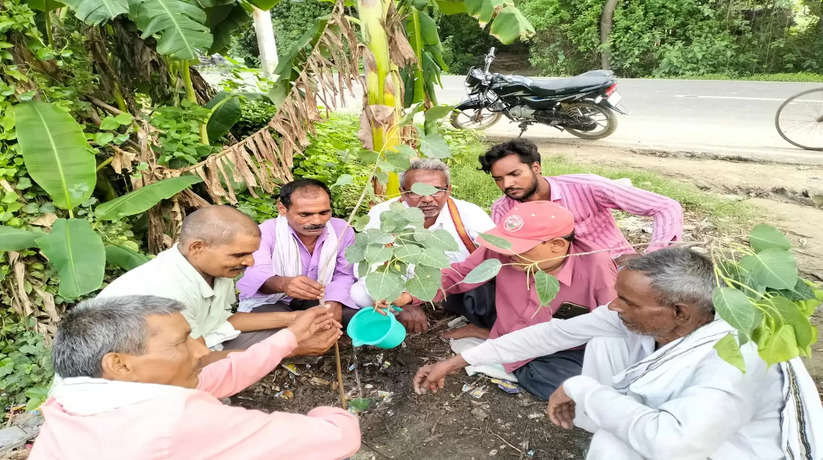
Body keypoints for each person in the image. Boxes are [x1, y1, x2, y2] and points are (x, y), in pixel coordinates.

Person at [412, 248, 823, 459]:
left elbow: (676, 445)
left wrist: (582, 389)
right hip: (686, 430)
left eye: (626, 300)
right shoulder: (650, 319)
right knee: (605, 344)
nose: (613, 306)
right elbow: (551, 334)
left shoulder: (736, 356)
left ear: (678, 311)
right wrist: (457, 360)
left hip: (729, 450)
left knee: (611, 444)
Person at [29, 295, 360, 460]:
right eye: (180, 343)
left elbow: (218, 376)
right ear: (120, 364)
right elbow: (335, 439)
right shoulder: (174, 420)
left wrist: (289, 339)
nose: (201, 351)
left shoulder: (69, 402)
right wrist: (335, 414)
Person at [389, 201, 617, 398]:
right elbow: (461, 274)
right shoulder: (504, 251)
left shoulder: (596, 266)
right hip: (511, 323)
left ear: (557, 245)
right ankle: (497, 338)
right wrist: (410, 294)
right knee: (459, 294)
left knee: (566, 386)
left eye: (522, 248)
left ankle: (498, 342)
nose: (509, 254)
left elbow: (612, 325)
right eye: (508, 245)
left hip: (565, 345)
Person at [99, 205, 338, 355]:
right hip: (136, 377)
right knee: (284, 341)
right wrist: (290, 349)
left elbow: (222, 321)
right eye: (239, 255)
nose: (250, 263)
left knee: (287, 331)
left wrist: (295, 318)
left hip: (193, 347)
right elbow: (188, 360)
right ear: (197, 247)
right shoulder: (165, 291)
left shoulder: (215, 270)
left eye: (251, 254)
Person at [480, 138, 683, 262]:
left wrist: (654, 257)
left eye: (515, 174)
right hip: (555, 279)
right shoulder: (503, 210)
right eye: (498, 179)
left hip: (615, 266)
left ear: (536, 168)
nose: (507, 184)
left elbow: (666, 207)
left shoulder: (586, 186)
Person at [350, 159, 495, 312]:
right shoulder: (383, 214)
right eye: (416, 192)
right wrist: (381, 293)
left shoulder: (469, 213)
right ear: (402, 192)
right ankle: (401, 307)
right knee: (359, 295)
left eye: (436, 190)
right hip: (402, 286)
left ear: (449, 190)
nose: (427, 199)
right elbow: (368, 260)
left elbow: (493, 255)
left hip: (456, 285)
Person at [237, 179, 359, 335]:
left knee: (357, 321)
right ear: (282, 208)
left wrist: (334, 302)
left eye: (324, 212)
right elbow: (256, 275)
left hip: (321, 298)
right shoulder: (264, 233)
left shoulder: (341, 230)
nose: (317, 221)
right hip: (274, 300)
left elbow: (345, 274)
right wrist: (283, 284)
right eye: (305, 214)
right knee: (273, 335)